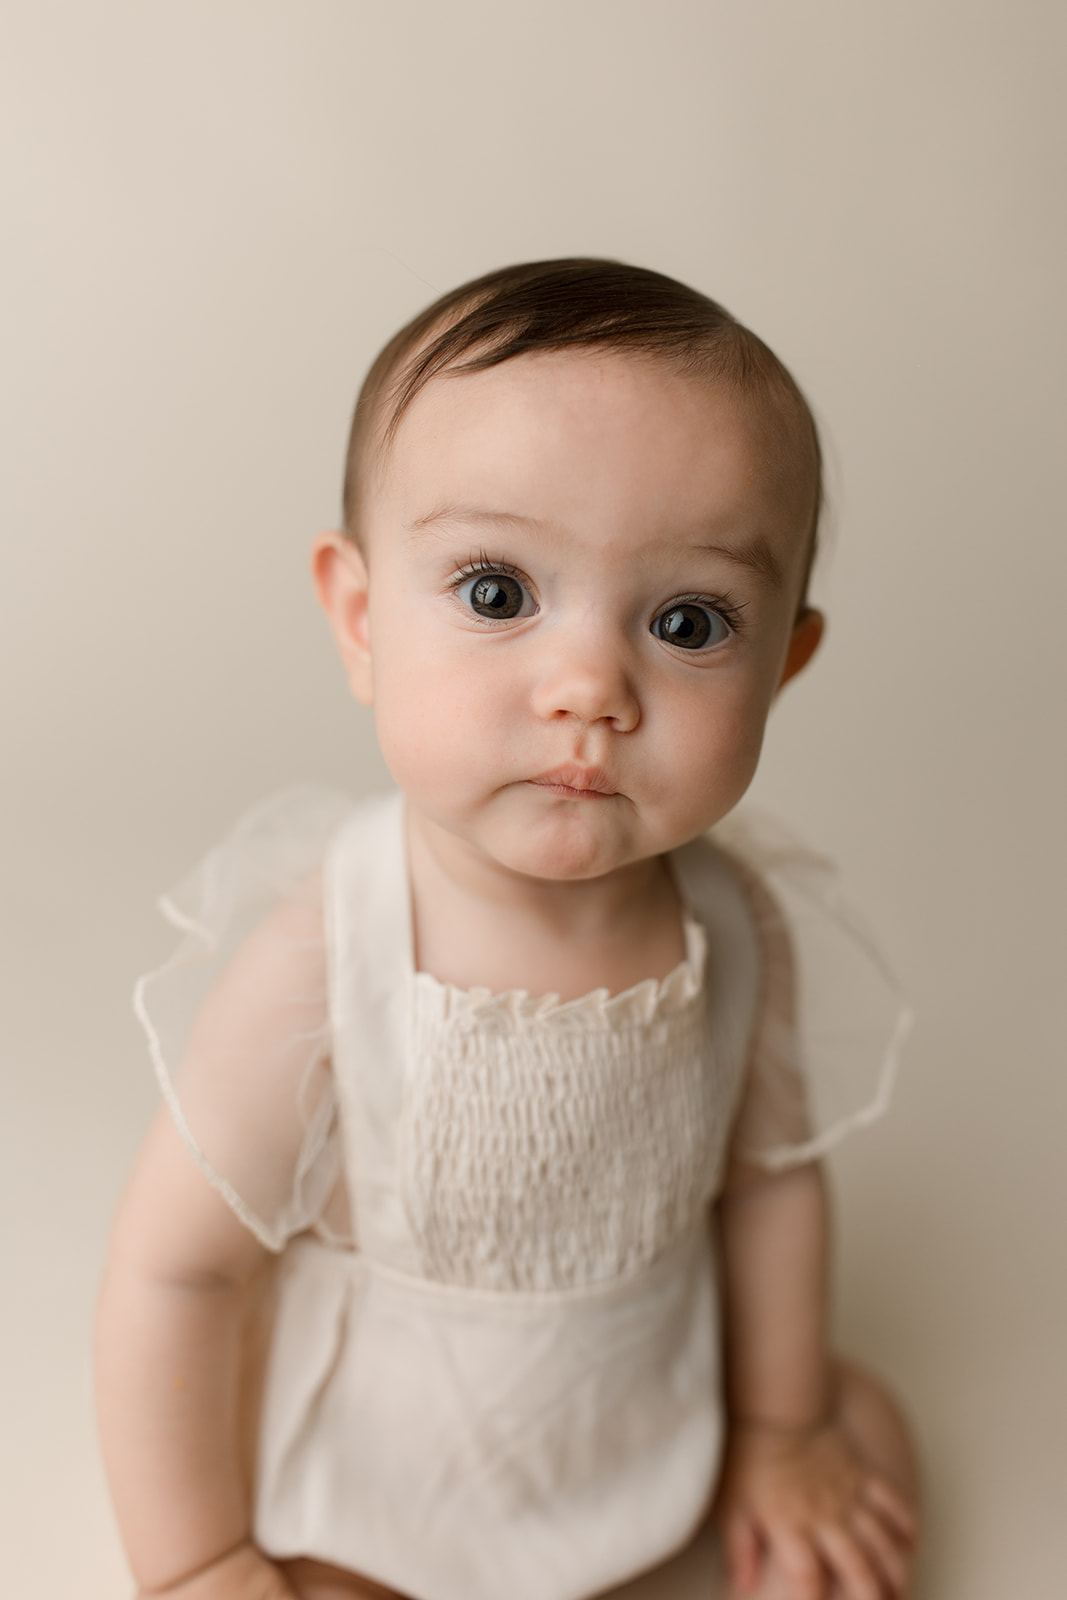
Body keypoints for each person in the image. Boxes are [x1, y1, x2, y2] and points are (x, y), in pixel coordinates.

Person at [95, 259, 920, 1600]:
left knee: (867, 1440)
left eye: (690, 621)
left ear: (784, 663)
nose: (591, 685)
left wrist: (781, 1428)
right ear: (362, 620)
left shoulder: (733, 918)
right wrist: (196, 1561)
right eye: (496, 594)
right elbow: (174, 1278)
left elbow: (768, 1183)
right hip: (385, 1480)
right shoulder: (327, 955)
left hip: (645, 1420)